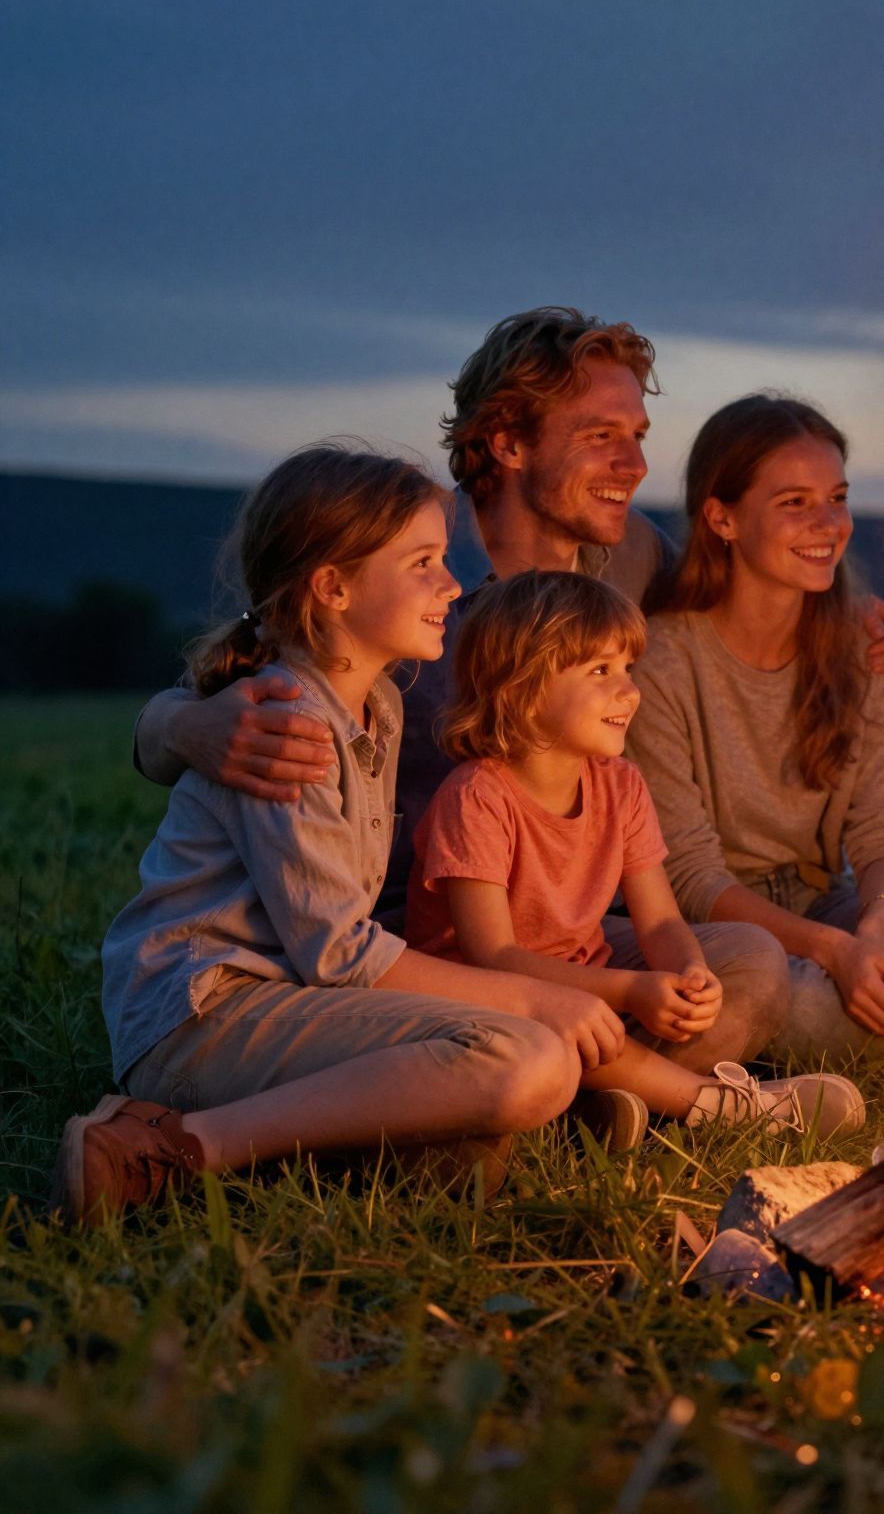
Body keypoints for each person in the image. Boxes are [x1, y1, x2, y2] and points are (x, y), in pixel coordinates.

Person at [125, 308, 884, 934]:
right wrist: (188, 730)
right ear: (507, 443)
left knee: (736, 972)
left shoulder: (632, 557)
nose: (634, 467)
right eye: (601, 439)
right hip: (402, 920)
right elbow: (200, 694)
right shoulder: (402, 564)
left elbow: (737, 593)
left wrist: (851, 615)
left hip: (578, 908)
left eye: (637, 439)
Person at [56, 445, 622, 1223]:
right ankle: (172, 1146)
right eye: (422, 562)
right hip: (200, 1018)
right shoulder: (287, 721)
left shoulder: (378, 703)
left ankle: (468, 1125)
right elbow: (339, 953)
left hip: (290, 1004)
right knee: (524, 1054)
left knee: (480, 1128)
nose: (452, 585)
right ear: (333, 588)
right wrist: (533, 995)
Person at [406, 569, 863, 1137]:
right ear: (521, 687)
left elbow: (662, 918)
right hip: (495, 1005)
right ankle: (721, 1107)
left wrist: (688, 971)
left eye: (628, 668)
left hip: (587, 981)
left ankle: (606, 1108)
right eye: (600, 670)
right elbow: (493, 957)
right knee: (559, 1031)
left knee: (750, 959)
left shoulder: (619, 785)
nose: (629, 690)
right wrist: (628, 991)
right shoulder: (477, 798)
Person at [628, 394, 884, 1059]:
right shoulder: (662, 660)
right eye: (794, 503)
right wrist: (834, 953)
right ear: (722, 518)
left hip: (821, 904)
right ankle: (795, 1038)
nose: (828, 523)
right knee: (808, 1002)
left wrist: (871, 929)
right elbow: (689, 877)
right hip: (711, 923)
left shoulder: (865, 651)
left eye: (836, 498)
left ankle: (815, 1033)